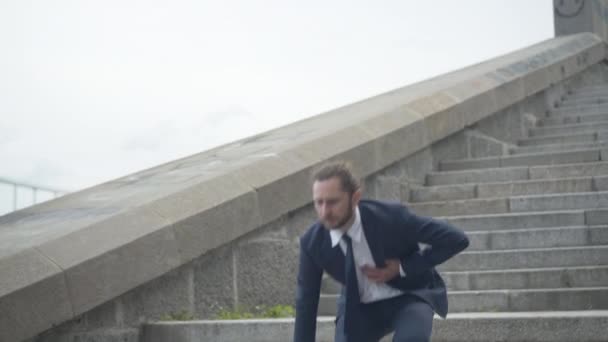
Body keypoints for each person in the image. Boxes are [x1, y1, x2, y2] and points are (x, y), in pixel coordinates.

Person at [293, 161, 469, 342]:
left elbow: (455, 239)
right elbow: (306, 302)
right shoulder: (312, 242)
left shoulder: (390, 216)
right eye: (318, 202)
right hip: (359, 308)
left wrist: (403, 267)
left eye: (332, 202)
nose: (324, 212)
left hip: (408, 296)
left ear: (355, 197)